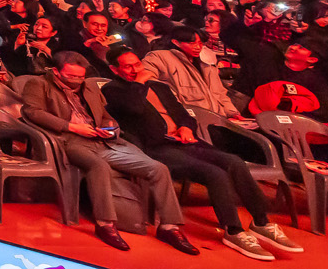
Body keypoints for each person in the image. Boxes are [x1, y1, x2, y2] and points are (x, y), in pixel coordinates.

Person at [102, 48, 300, 260]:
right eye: (128, 67)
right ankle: (233, 231)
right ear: (114, 69)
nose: (135, 70)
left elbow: (184, 115)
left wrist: (186, 128)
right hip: (156, 147)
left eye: (137, 64)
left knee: (234, 162)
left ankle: (262, 222)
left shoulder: (160, 87)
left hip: (185, 141)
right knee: (214, 173)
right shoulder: (113, 89)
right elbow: (134, 108)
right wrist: (139, 83)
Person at [21, 52, 195, 254]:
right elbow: (33, 112)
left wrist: (109, 129)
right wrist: (72, 127)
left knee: (158, 168)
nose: (77, 80)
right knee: (98, 166)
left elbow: (105, 115)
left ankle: (169, 227)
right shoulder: (38, 84)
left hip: (103, 141)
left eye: (80, 76)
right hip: (70, 141)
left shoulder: (89, 87)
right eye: (71, 76)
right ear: (56, 72)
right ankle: (105, 224)